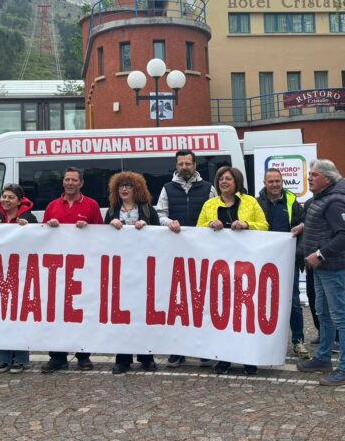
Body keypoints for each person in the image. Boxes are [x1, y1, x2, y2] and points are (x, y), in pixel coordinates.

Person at [197, 166, 268, 375]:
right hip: (219, 267)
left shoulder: (250, 202)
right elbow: (197, 229)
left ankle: (248, 358)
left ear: (236, 181)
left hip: (245, 265)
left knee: (245, 312)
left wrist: (246, 224)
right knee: (223, 312)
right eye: (220, 179)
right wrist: (210, 224)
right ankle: (224, 357)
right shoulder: (210, 204)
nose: (224, 182)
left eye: (228, 178)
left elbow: (264, 225)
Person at [296, 159, 345, 386]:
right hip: (323, 269)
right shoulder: (323, 198)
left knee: (340, 317)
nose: (309, 178)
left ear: (328, 179)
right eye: (309, 174)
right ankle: (323, 358)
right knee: (323, 313)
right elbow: (325, 226)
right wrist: (305, 227)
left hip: (334, 268)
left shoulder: (335, 202)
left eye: (314, 175)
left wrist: (320, 254)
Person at [156, 149, 216, 368]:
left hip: (202, 253)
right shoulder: (167, 188)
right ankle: (177, 350)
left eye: (188, 164)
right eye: (180, 164)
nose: (184, 167)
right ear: (176, 166)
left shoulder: (209, 188)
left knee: (203, 302)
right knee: (178, 303)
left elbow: (214, 213)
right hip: (176, 253)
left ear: (195, 165)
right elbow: (160, 214)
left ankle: (204, 349)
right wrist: (169, 223)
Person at [41, 167, 103, 373]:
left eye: (74, 180)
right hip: (57, 270)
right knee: (57, 312)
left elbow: (101, 234)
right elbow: (41, 236)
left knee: (81, 311)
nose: (70, 183)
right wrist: (49, 226)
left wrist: (88, 229)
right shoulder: (52, 206)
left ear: (81, 183)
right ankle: (57, 357)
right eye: (67, 179)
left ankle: (83, 355)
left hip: (83, 268)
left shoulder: (91, 205)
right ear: (63, 182)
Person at [105, 171, 160, 374]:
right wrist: (110, 225)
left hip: (144, 269)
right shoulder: (112, 211)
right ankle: (123, 359)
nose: (125, 189)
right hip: (120, 270)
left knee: (143, 314)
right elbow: (101, 239)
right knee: (121, 315)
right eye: (121, 186)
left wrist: (147, 226)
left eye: (128, 186)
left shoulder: (147, 210)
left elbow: (159, 235)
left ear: (137, 189)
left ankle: (146, 357)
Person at [256, 167, 309, 360]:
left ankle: (298, 340)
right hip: (263, 261)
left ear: (282, 182)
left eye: (277, 181)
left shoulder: (292, 201)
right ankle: (265, 342)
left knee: (292, 301)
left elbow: (305, 224)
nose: (274, 185)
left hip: (288, 259)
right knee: (264, 302)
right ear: (264, 183)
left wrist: (302, 228)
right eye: (271, 181)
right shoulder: (256, 202)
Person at [0, 184, 37, 374]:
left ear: (19, 201)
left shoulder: (29, 218)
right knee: (1, 315)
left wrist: (29, 229)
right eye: (4, 197)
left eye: (10, 197)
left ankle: (21, 359)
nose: (6, 200)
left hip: (21, 272)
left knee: (19, 316)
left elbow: (39, 239)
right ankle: (4, 358)